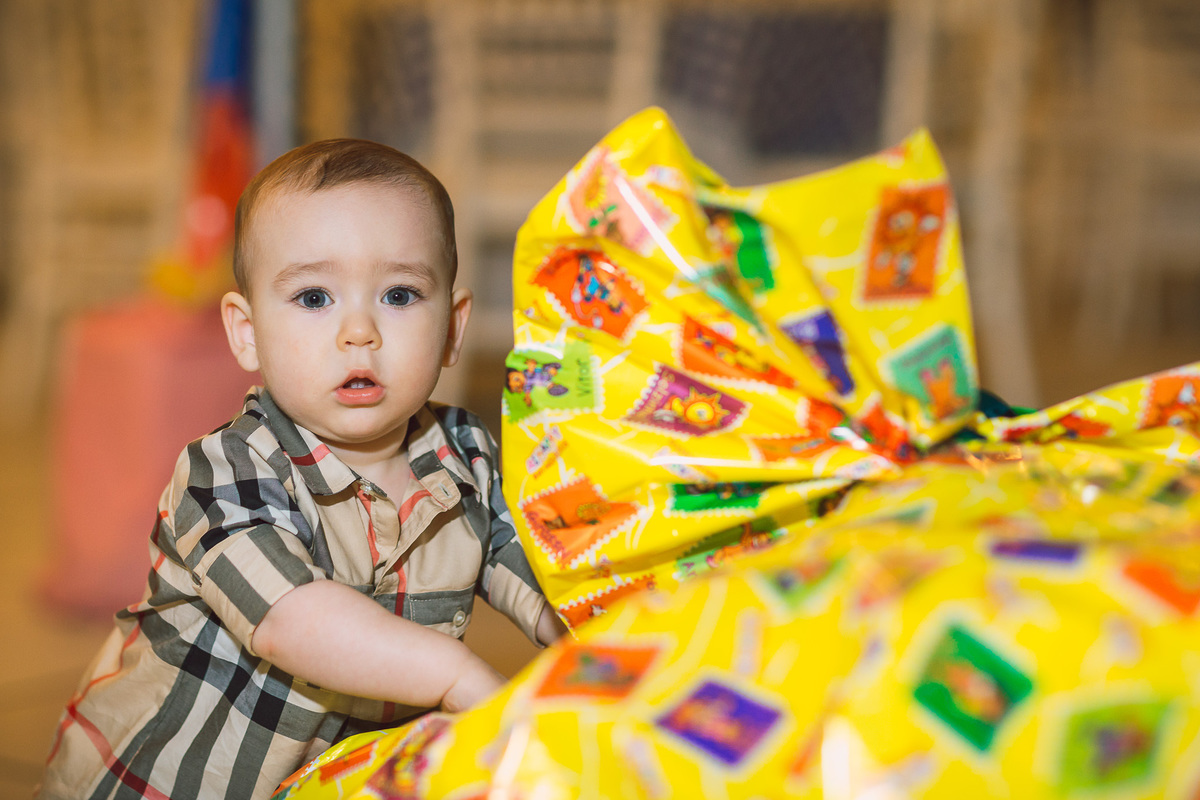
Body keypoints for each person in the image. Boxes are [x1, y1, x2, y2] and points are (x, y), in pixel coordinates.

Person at [38, 139, 566, 799]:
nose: (359, 331)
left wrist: (606, 636)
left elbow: (546, 577)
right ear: (247, 331)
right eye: (314, 298)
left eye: (400, 294)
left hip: (337, 779)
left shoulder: (466, 456)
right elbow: (295, 622)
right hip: (166, 783)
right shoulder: (227, 468)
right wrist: (456, 677)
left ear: (454, 328)